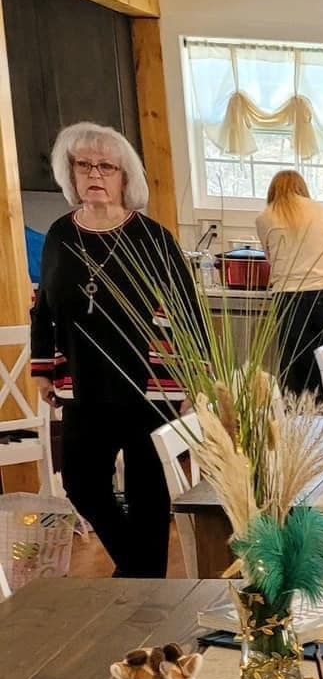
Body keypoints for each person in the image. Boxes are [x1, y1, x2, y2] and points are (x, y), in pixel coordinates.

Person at [30, 122, 198, 578]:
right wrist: (43, 367)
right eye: (83, 164)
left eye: (106, 165)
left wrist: (193, 382)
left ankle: (144, 584)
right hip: (83, 383)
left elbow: (187, 312)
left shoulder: (153, 237)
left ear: (126, 177)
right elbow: (45, 305)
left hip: (147, 385)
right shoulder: (62, 234)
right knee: (82, 483)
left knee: (147, 492)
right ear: (71, 174)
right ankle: (139, 572)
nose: (95, 174)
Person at [255, 170, 323, 397]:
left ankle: (302, 423)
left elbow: (270, 258)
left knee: (298, 371)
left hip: (292, 297)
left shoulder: (265, 216)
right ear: (302, 188)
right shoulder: (322, 211)